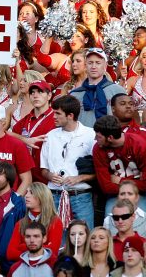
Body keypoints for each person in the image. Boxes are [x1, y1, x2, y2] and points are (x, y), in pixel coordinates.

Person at [40, 95, 95, 228]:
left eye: (58, 113)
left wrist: (79, 178)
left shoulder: (91, 135)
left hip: (80, 196)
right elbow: (43, 170)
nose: (54, 116)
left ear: (70, 115)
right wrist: (50, 176)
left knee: (85, 236)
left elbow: (100, 170)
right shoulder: (50, 136)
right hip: (54, 196)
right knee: (55, 239)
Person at [92, 115, 146, 201]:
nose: (95, 139)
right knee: (112, 214)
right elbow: (106, 187)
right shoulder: (98, 149)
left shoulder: (138, 145)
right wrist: (137, 182)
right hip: (116, 194)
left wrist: (120, 180)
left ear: (110, 138)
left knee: (141, 214)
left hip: (141, 194)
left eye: (98, 137)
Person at [69, 48, 125, 127]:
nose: (93, 66)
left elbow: (124, 119)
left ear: (105, 65)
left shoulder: (117, 91)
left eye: (98, 63)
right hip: (83, 138)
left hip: (110, 137)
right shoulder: (75, 94)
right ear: (85, 66)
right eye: (90, 63)